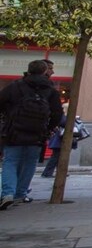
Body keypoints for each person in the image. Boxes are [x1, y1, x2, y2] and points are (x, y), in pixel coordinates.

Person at [0, 60, 63, 209]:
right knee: (30, 163)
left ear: (28, 70)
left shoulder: (15, 86)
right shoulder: (50, 89)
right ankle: (21, 194)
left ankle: (7, 193)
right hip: (37, 133)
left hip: (14, 131)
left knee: (10, 161)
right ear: (44, 71)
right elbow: (57, 113)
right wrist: (48, 128)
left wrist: (8, 116)